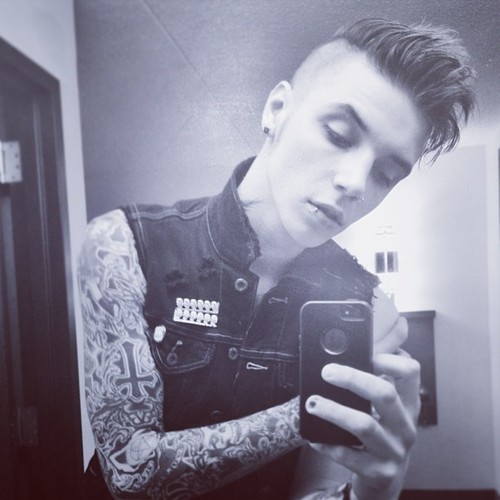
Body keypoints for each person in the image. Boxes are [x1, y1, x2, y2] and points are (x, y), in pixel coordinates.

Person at [78, 18, 476, 500]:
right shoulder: (123, 244)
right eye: (339, 134)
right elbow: (129, 472)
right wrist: (318, 405)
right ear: (277, 109)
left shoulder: (367, 305)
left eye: (386, 174)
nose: (355, 182)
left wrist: (374, 488)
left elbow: (314, 491)